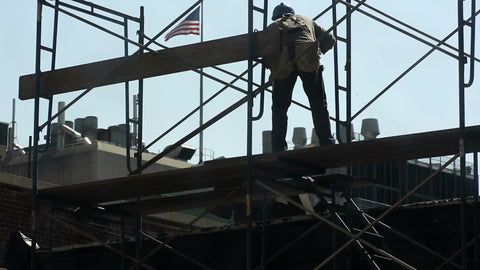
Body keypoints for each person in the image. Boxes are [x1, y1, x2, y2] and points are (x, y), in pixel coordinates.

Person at [265, 2, 336, 152]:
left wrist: (272, 70)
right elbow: (330, 39)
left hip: (284, 59)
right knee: (318, 104)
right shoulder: (307, 20)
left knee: (279, 108)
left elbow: (265, 53)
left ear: (276, 17)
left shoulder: (272, 27)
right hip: (307, 52)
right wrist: (318, 52)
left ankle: (278, 148)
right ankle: (327, 141)